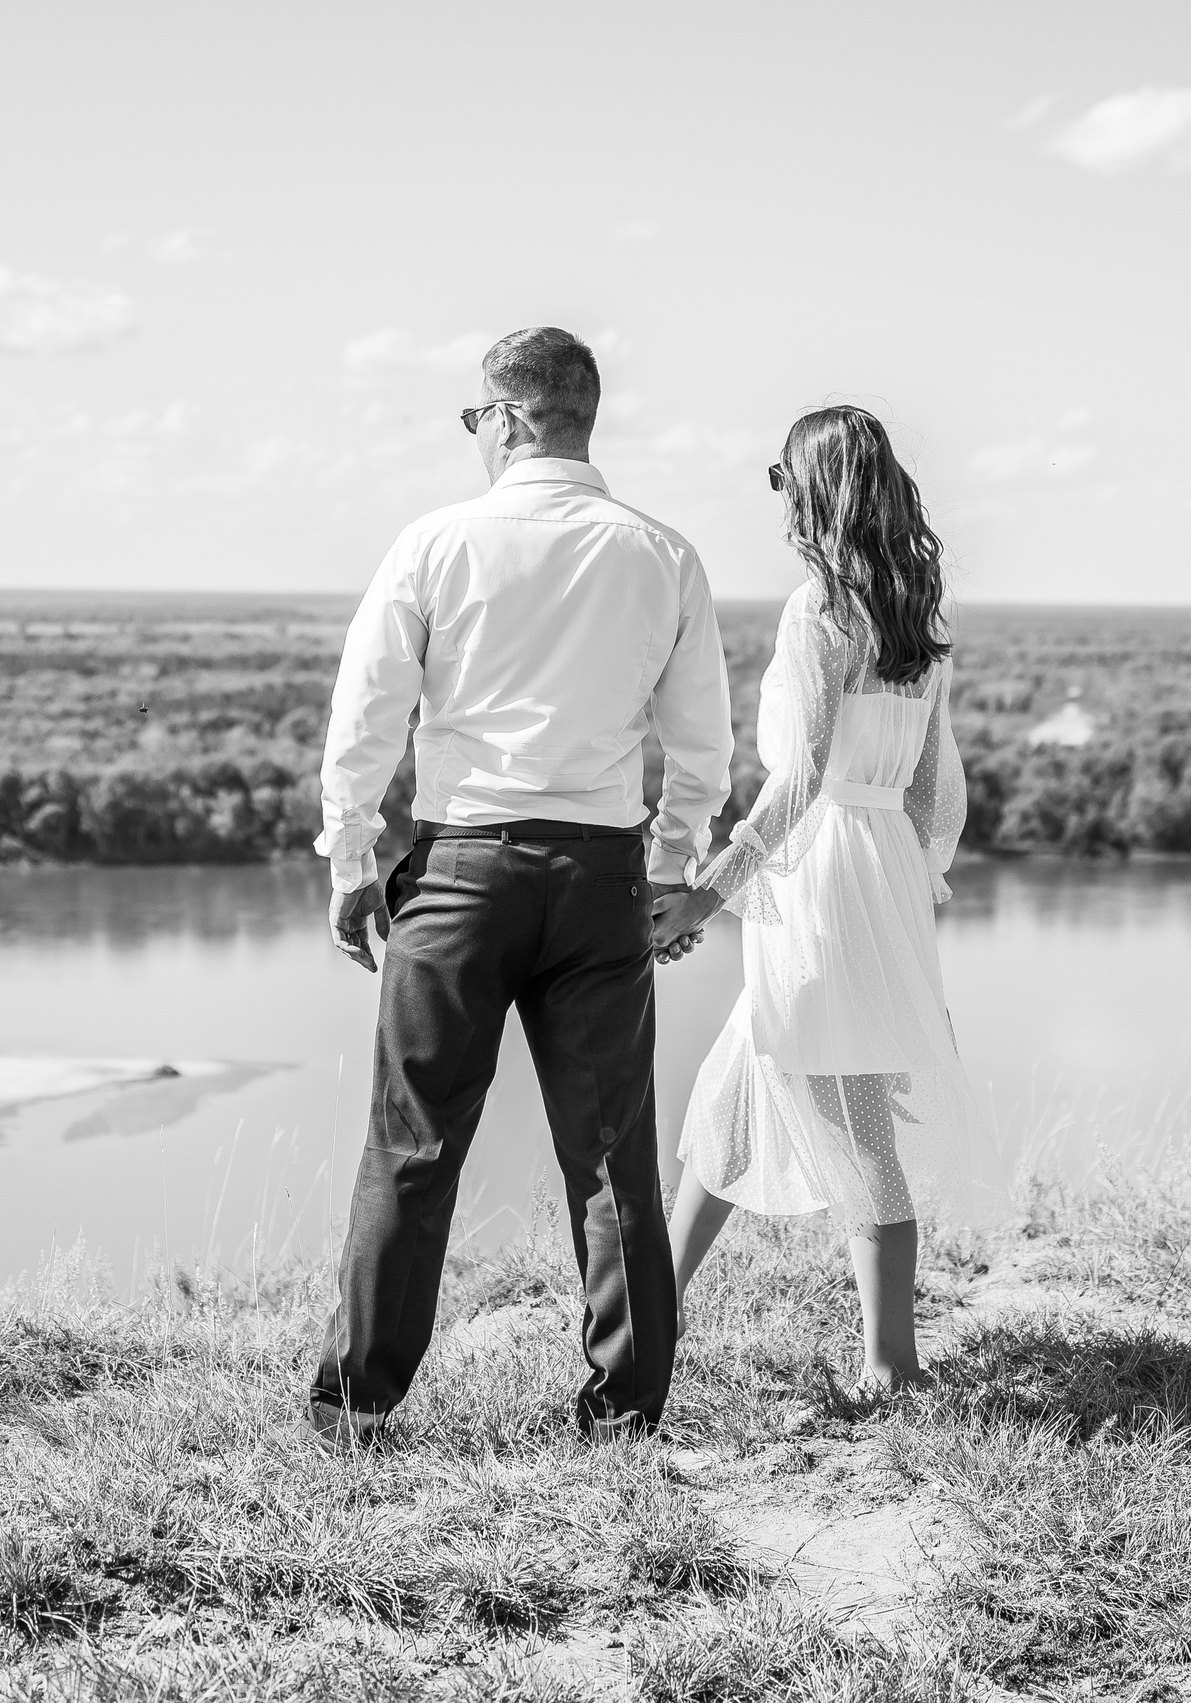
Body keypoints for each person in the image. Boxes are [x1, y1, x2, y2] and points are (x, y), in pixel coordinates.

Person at [310, 327, 734, 1443]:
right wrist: (673, 864)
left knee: (412, 1143)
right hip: (599, 876)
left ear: (506, 417)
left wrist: (353, 859)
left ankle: (357, 1410)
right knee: (610, 1153)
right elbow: (702, 743)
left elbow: (366, 715)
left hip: (461, 868)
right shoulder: (663, 553)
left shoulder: (434, 542)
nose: (474, 436)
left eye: (473, 418)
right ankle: (626, 1411)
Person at [651, 406, 970, 1391]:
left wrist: (713, 886)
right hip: (871, 874)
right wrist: (910, 898)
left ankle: (894, 1370)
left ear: (815, 490)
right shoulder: (919, 611)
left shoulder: (816, 610)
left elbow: (800, 777)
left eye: (782, 478)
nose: (778, 498)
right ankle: (644, 1315)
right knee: (734, 1098)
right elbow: (928, 786)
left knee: (853, 1125)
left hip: (818, 872)